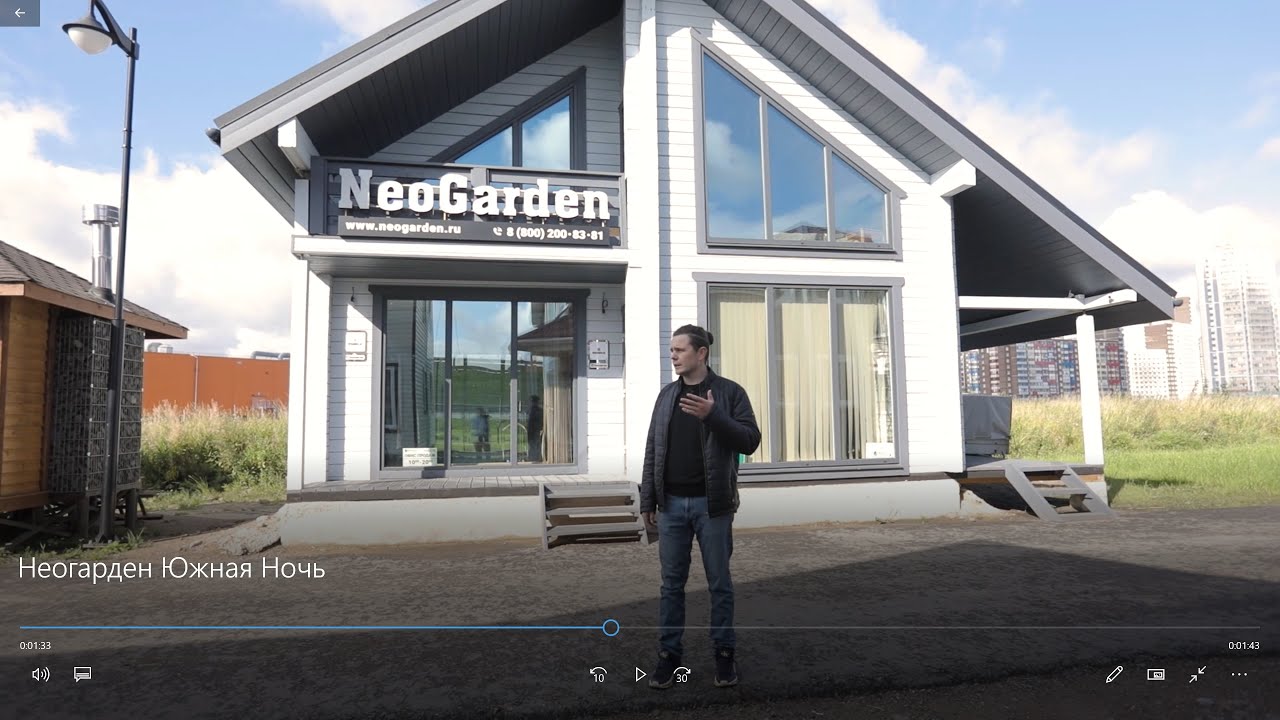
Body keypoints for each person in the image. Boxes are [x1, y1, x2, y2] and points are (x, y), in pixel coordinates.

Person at [640, 324, 760, 690]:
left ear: (701, 353)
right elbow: (653, 448)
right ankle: (668, 657)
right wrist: (648, 498)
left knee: (719, 584)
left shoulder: (730, 393)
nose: (673, 355)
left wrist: (713, 415)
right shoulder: (666, 396)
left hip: (714, 507)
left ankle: (724, 655)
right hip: (671, 506)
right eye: (672, 350)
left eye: (680, 350)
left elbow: (750, 441)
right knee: (671, 586)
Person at [526, 395, 544, 462]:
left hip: (533, 430)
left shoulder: (532, 410)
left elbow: (531, 421)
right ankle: (535, 458)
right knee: (536, 445)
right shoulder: (538, 410)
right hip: (536, 430)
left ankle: (533, 458)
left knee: (533, 445)